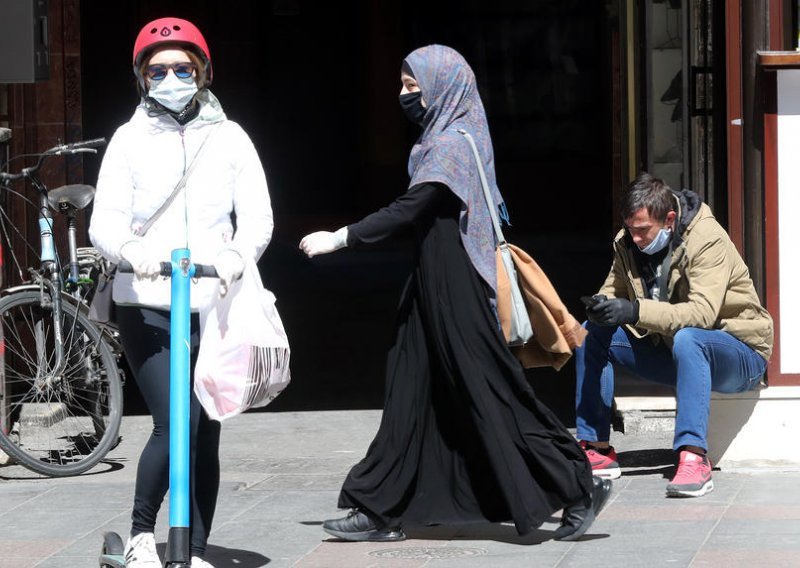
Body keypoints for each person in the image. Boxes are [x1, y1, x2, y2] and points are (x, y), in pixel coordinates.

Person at [299, 44, 611, 543]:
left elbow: (412, 207)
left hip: (457, 288)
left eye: (412, 86)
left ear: (442, 86)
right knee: (409, 393)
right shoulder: (446, 139)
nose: (405, 96)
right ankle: (381, 508)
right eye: (402, 85)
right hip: (430, 286)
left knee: (491, 390)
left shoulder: (451, 145)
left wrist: (343, 236)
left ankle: (579, 485)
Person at [89, 17, 273, 568]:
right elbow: (106, 220)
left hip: (213, 303)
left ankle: (191, 550)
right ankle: (144, 535)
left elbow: (258, 215)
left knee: (207, 429)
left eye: (183, 68)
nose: (171, 78)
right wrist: (131, 250)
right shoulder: (128, 139)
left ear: (204, 72)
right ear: (142, 78)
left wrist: (239, 256)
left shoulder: (232, 136)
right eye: (159, 70)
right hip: (146, 302)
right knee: (177, 423)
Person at [575, 172, 773, 497]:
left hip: (740, 354)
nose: (635, 238)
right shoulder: (627, 242)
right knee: (592, 333)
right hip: (678, 355)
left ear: (668, 219)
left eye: (642, 231)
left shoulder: (707, 238)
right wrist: (603, 306)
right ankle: (596, 449)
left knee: (690, 336)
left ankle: (693, 456)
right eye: (630, 229)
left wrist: (635, 310)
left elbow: (701, 314)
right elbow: (614, 289)